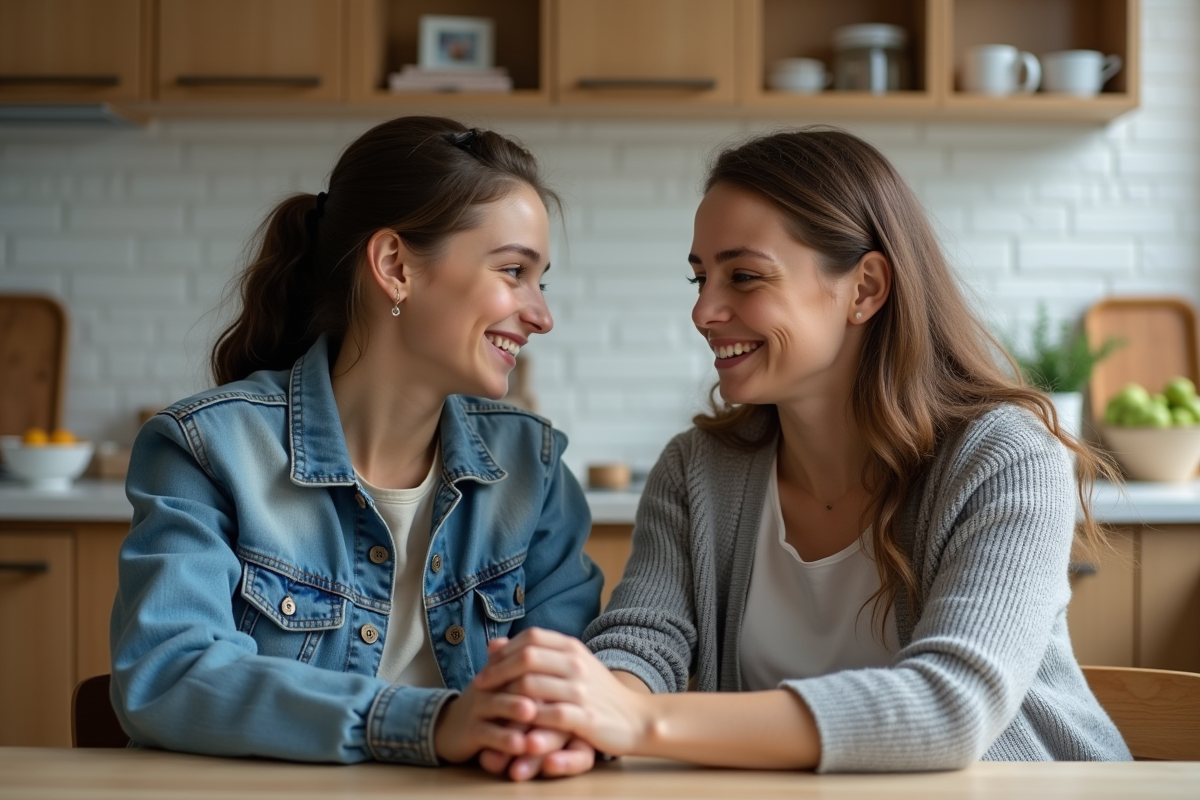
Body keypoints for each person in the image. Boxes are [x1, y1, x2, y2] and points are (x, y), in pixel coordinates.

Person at [474, 127, 1132, 773]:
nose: (705, 311)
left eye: (745, 276)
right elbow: (644, 643)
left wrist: (639, 721)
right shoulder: (697, 470)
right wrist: (582, 713)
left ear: (865, 289)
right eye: (700, 279)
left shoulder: (1006, 459)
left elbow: (951, 707)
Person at [109, 116, 602, 776]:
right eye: (513, 271)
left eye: (540, 280)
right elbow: (168, 676)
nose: (541, 315)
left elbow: (567, 687)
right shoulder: (207, 450)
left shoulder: (532, 469)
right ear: (395, 266)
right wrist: (430, 724)